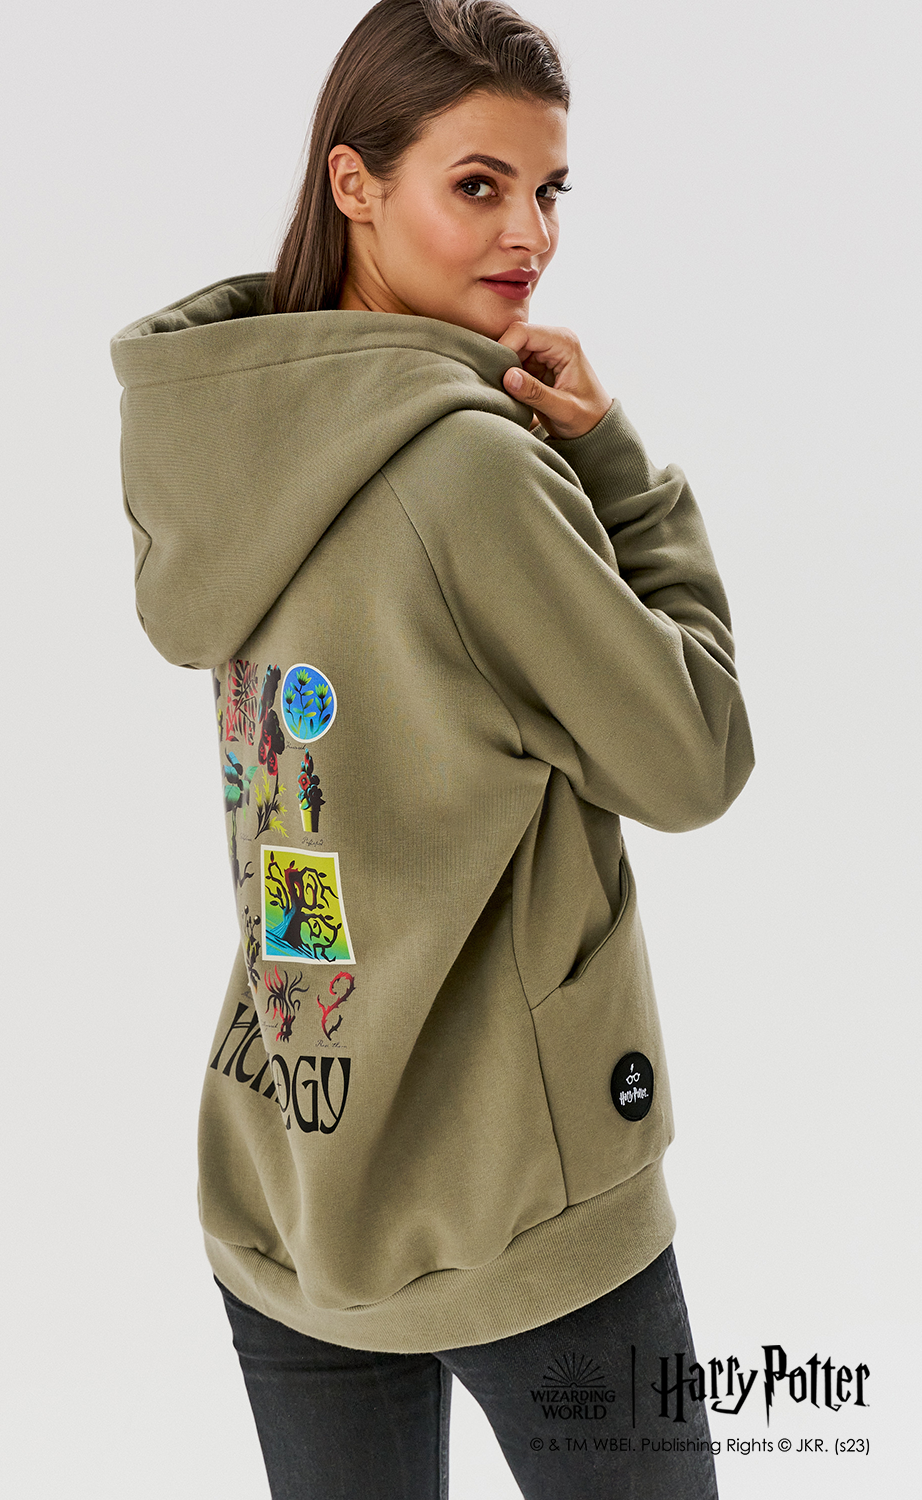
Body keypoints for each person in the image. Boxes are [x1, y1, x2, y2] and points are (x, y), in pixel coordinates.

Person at [111, 1, 754, 1495]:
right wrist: (617, 471)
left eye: (549, 190)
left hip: (288, 1175)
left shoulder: (225, 445)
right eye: (479, 185)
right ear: (354, 182)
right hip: (517, 1206)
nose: (529, 233)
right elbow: (695, 755)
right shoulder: (468, 471)